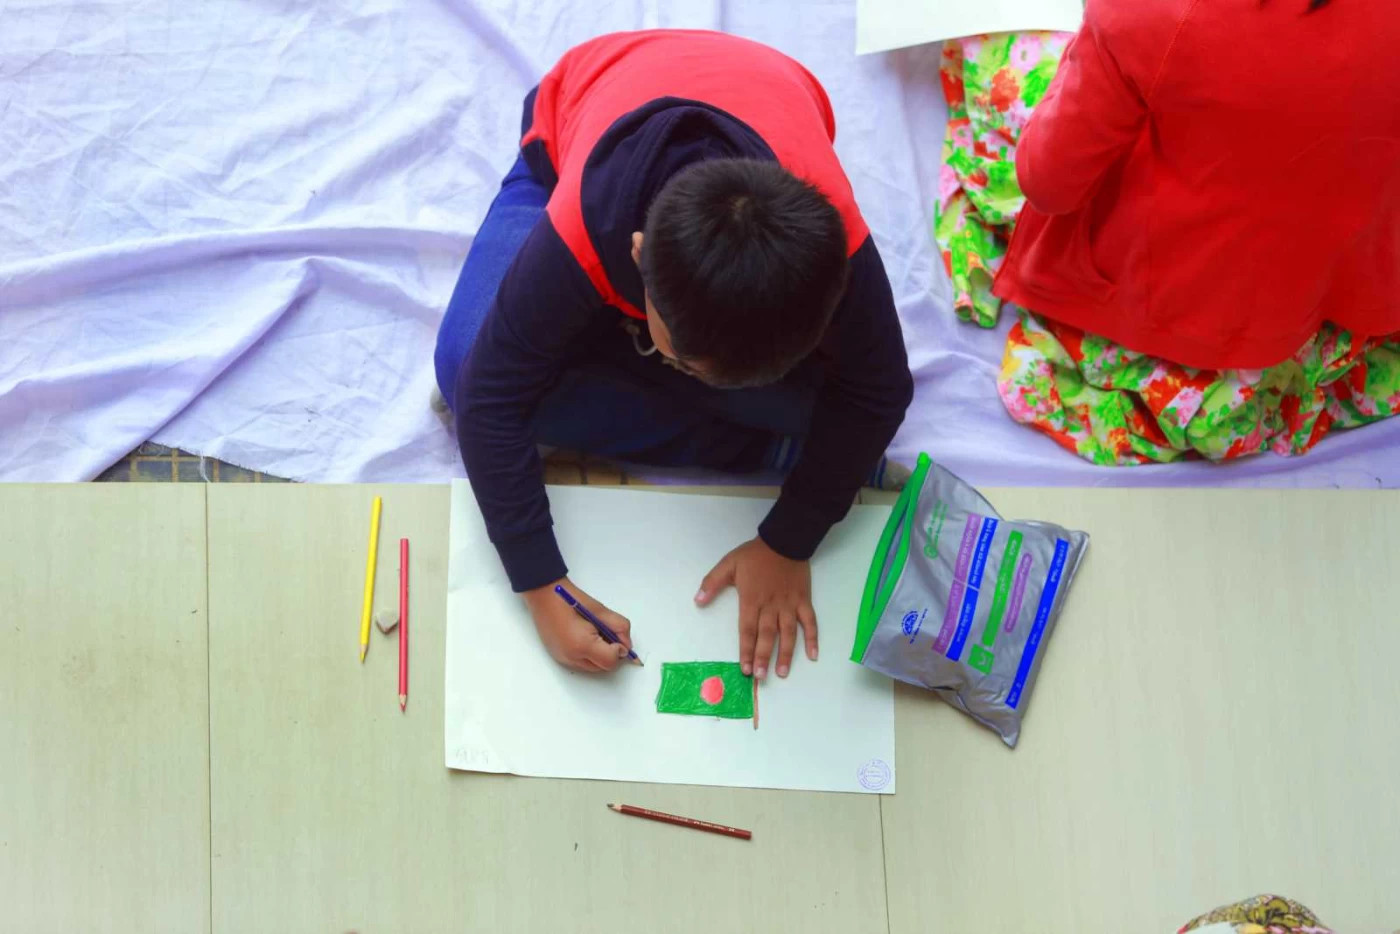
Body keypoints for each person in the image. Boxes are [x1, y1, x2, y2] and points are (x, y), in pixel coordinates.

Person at [435, 31, 913, 677]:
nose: (693, 375)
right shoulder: (585, 223)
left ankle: (742, 418)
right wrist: (541, 586)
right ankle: (757, 445)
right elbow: (487, 394)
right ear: (638, 258)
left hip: (762, 95)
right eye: (686, 362)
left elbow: (880, 390)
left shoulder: (835, 251)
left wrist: (789, 539)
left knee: (839, 413)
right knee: (464, 365)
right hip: (565, 143)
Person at [936, 0, 1400, 465]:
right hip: (1345, 287)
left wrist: (1094, 51)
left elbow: (1048, 184)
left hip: (1191, 311)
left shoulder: (1154, 12)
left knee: (1001, 55)